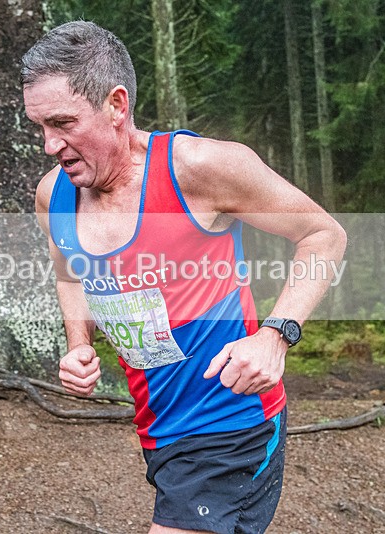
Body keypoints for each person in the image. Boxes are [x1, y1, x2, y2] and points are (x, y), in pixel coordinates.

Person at [21, 21, 346, 534]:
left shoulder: (198, 168)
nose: (48, 144)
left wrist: (275, 336)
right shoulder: (53, 196)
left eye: (63, 123)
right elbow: (69, 271)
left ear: (116, 105)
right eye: (39, 126)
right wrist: (77, 341)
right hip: (159, 430)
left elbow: (323, 235)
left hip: (231, 422)